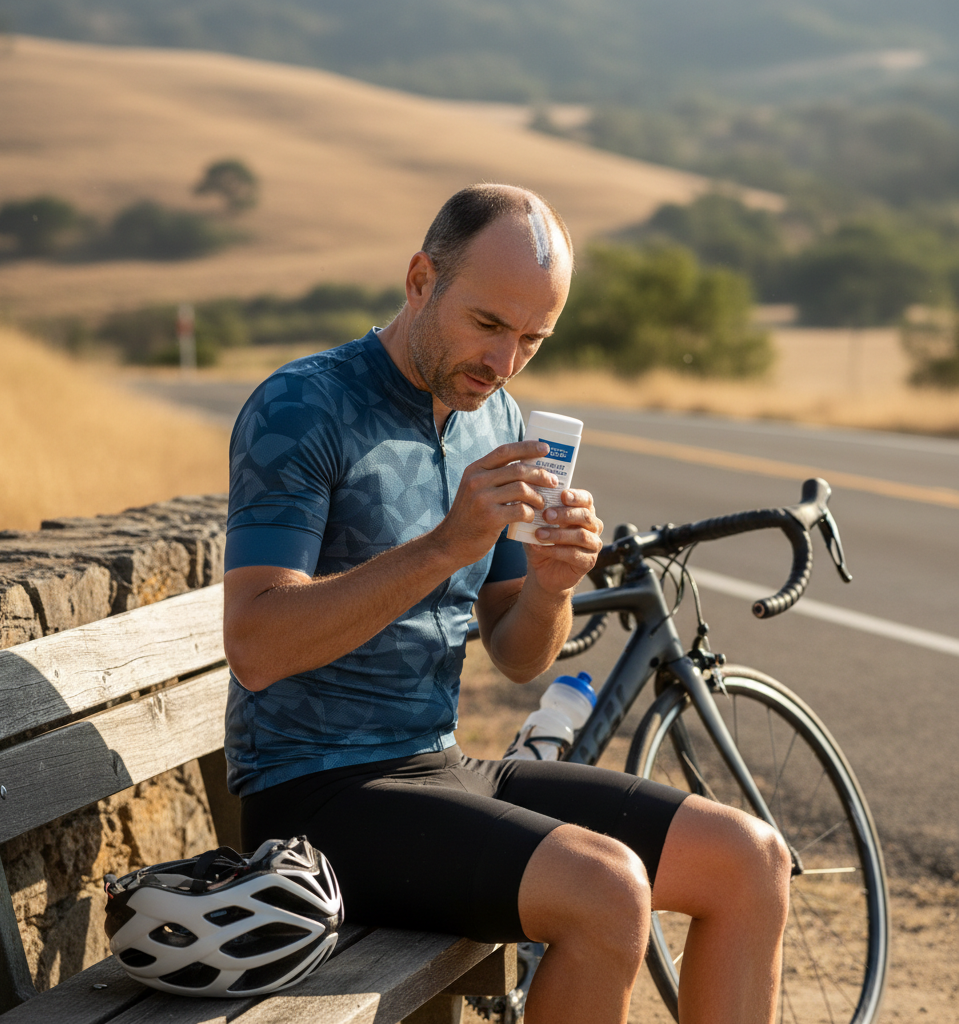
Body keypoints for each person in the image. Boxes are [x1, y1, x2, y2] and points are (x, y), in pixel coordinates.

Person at [223, 184, 791, 1024]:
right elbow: (258, 644)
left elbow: (520, 654)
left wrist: (555, 588)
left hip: (440, 765)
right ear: (421, 281)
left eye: (532, 339)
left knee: (750, 859)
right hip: (313, 795)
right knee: (607, 892)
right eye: (488, 325)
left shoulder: (498, 420)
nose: (504, 362)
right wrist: (449, 544)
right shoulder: (302, 407)